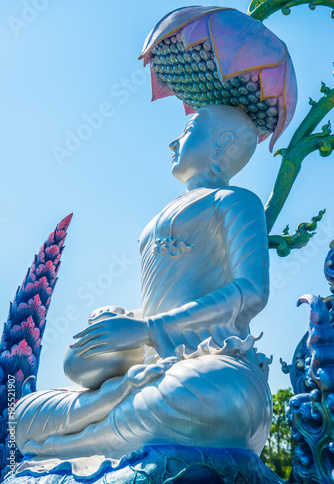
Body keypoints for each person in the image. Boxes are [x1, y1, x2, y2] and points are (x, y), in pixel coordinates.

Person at [14, 104, 272, 467]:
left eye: (187, 130)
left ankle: (72, 442)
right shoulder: (153, 223)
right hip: (153, 366)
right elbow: (159, 302)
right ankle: (113, 398)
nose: (173, 142)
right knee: (23, 414)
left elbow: (252, 290)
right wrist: (123, 319)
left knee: (193, 397)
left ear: (222, 144)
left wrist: (148, 328)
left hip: (211, 366)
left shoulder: (235, 202)